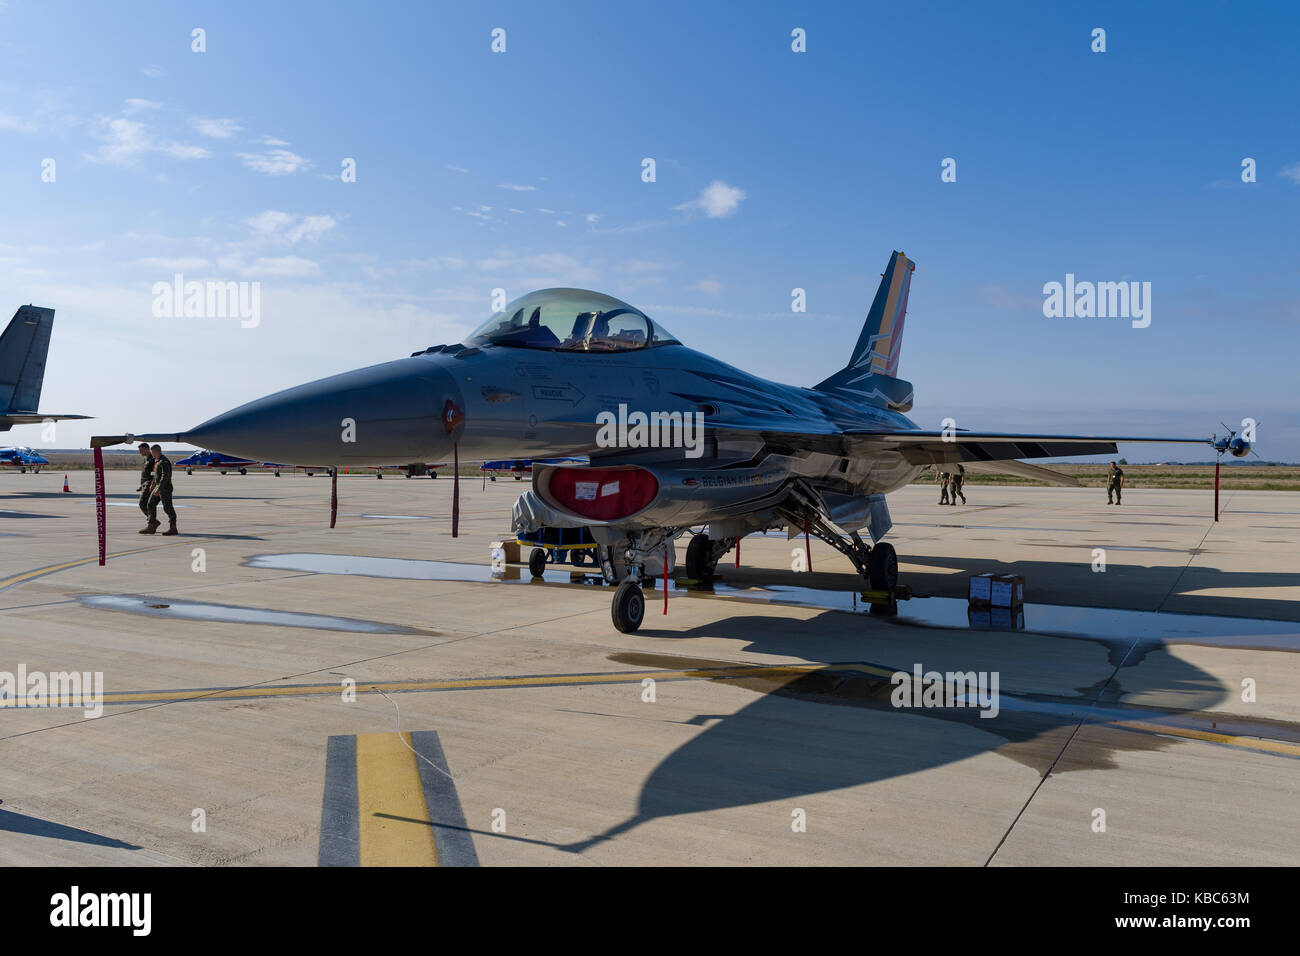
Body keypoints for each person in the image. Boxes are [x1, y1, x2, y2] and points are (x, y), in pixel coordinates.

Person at [143, 444, 179, 535]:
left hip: (165, 488)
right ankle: (151, 526)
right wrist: (153, 484)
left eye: (152, 452)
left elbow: (165, 476)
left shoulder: (164, 462)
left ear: (156, 451)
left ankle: (173, 528)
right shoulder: (157, 461)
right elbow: (157, 475)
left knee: (168, 508)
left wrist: (159, 488)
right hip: (158, 487)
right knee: (150, 504)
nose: (152, 454)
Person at [135, 442, 154, 522]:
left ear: (147, 449)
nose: (140, 452)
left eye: (141, 450)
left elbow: (154, 474)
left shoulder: (152, 459)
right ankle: (152, 520)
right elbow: (145, 474)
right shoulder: (146, 459)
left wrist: (152, 484)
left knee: (143, 503)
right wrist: (141, 485)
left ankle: (152, 521)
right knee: (145, 504)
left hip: (150, 485)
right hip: (145, 485)